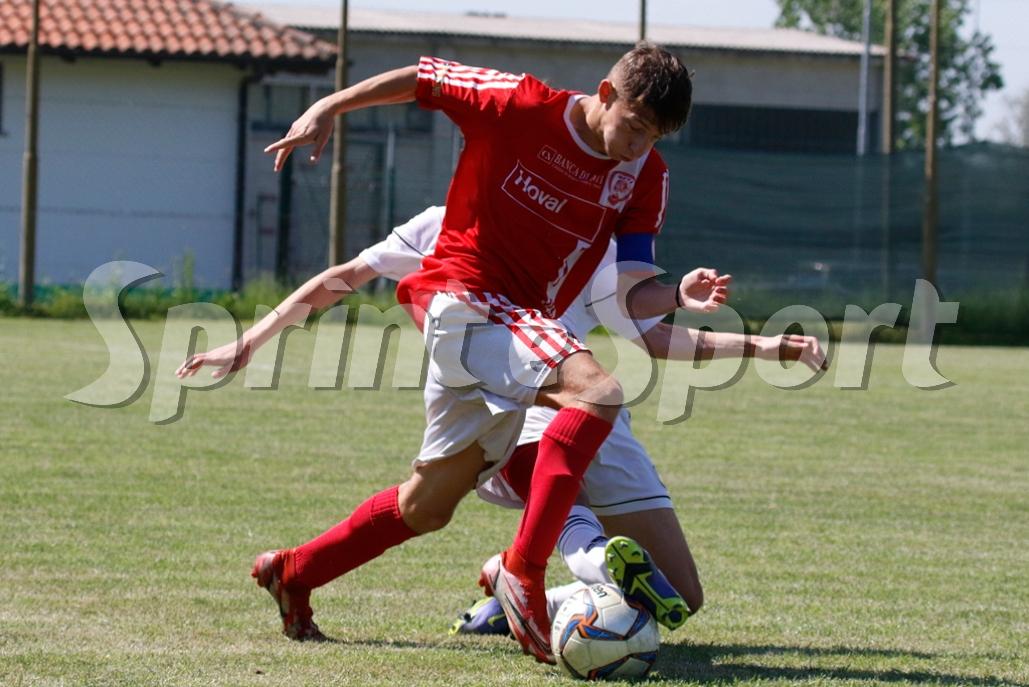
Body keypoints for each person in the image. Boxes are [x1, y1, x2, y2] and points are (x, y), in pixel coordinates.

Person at [178, 207, 827, 641]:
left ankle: (504, 581)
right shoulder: (443, 223)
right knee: (498, 479)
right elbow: (345, 278)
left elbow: (652, 334)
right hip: (506, 399)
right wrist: (249, 342)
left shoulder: (588, 235)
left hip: (594, 405)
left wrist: (762, 345)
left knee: (681, 597)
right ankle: (566, 566)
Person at [248, 42, 700, 663]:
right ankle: (523, 570)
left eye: (654, 136)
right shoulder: (520, 104)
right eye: (635, 124)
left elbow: (630, 292)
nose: (639, 144)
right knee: (598, 393)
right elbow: (423, 77)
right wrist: (329, 105)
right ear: (604, 93)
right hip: (463, 301)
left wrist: (677, 294)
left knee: (426, 506)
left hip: (509, 331)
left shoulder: (645, 176)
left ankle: (295, 571)